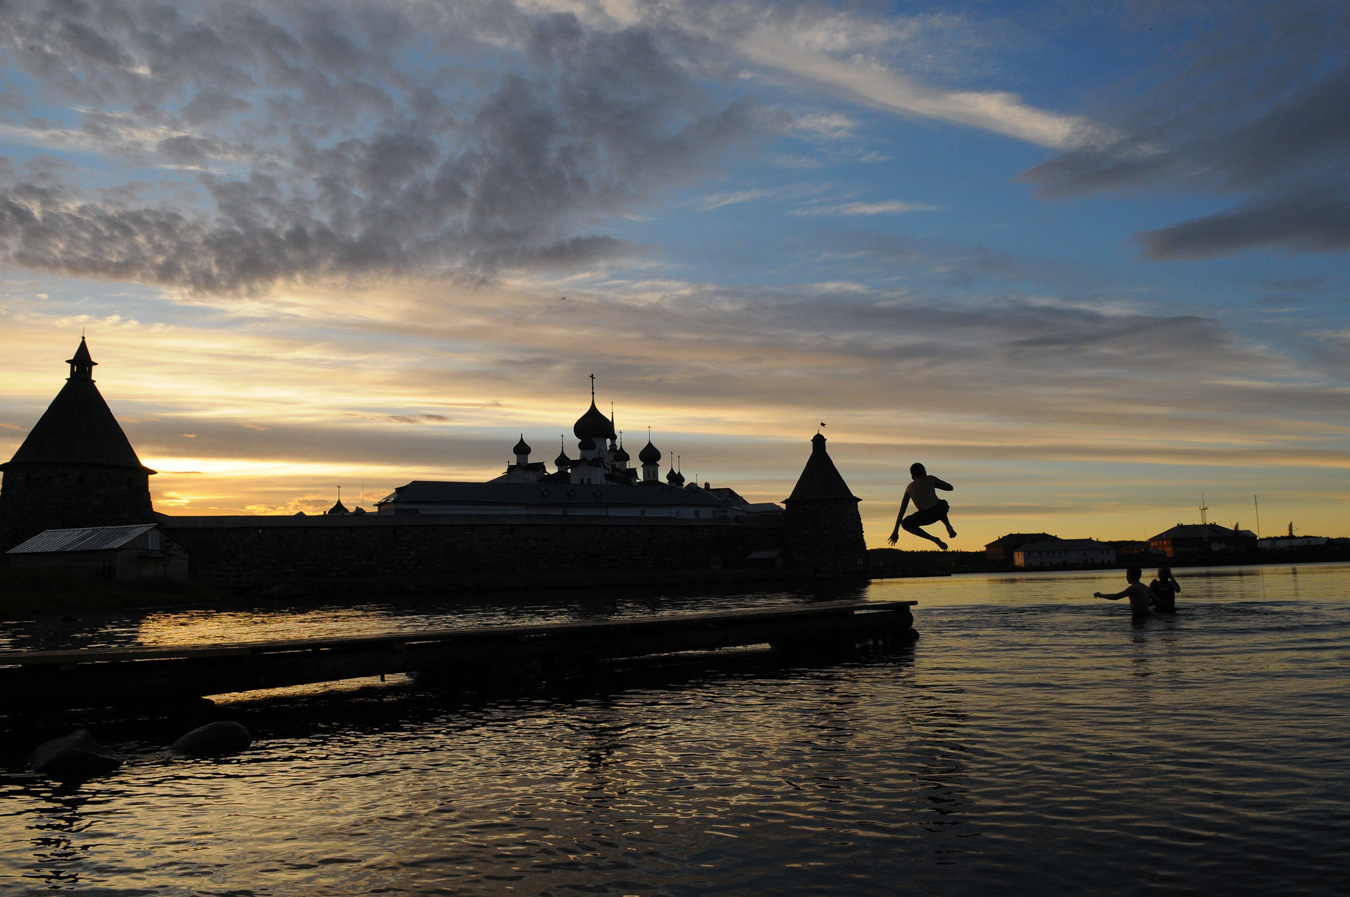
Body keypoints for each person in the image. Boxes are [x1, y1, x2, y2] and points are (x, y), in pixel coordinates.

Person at [887, 462, 957, 550]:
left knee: (905, 524)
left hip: (925, 516)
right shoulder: (930, 479)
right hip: (939, 511)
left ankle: (934, 539)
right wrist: (934, 483)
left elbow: (902, 511)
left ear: (912, 477)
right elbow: (950, 488)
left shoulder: (909, 488)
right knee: (941, 503)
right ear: (925, 472)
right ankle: (948, 526)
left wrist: (895, 531)